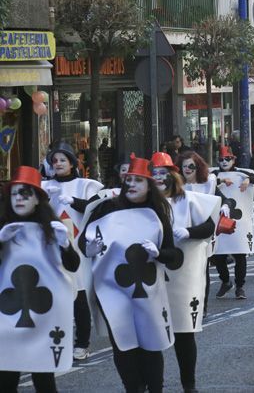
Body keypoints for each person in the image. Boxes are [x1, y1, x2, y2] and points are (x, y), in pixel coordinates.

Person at [78, 155, 179, 393]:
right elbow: (86, 239)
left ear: (149, 186)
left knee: (150, 344)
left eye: (138, 181)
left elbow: (173, 255)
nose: (131, 184)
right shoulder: (106, 208)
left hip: (147, 293)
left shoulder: (157, 214)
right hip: (112, 290)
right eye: (129, 180)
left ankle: (155, 388)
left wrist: (158, 254)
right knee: (123, 345)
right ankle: (133, 388)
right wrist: (87, 247)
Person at [0, 166, 80, 393]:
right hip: (7, 315)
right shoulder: (3, 227)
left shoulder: (52, 230)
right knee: (5, 378)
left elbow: (73, 265)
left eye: (25, 193)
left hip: (44, 318)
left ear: (37, 199)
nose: (19, 198)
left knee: (44, 380)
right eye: (14, 193)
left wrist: (65, 245)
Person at [151, 152, 220, 393]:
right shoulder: (144, 205)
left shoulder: (189, 200)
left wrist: (190, 232)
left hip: (184, 275)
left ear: (173, 175)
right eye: (154, 174)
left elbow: (210, 225)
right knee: (151, 333)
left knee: (183, 332)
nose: (159, 179)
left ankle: (188, 385)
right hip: (153, 275)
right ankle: (153, 385)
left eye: (163, 174)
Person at [41, 142, 104, 362]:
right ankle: (58, 341)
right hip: (51, 249)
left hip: (77, 247)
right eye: (54, 160)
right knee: (54, 297)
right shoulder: (43, 186)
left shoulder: (85, 185)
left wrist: (75, 202)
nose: (57, 163)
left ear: (71, 163)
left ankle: (82, 343)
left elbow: (97, 209)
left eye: (62, 160)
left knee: (78, 295)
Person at [212, 146, 254, 299]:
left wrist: (248, 179)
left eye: (227, 159)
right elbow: (204, 181)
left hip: (239, 222)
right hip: (220, 221)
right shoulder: (214, 175)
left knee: (240, 254)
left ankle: (240, 286)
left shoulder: (243, 174)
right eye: (221, 159)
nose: (224, 162)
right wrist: (220, 180)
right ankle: (225, 281)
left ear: (233, 159)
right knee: (218, 255)